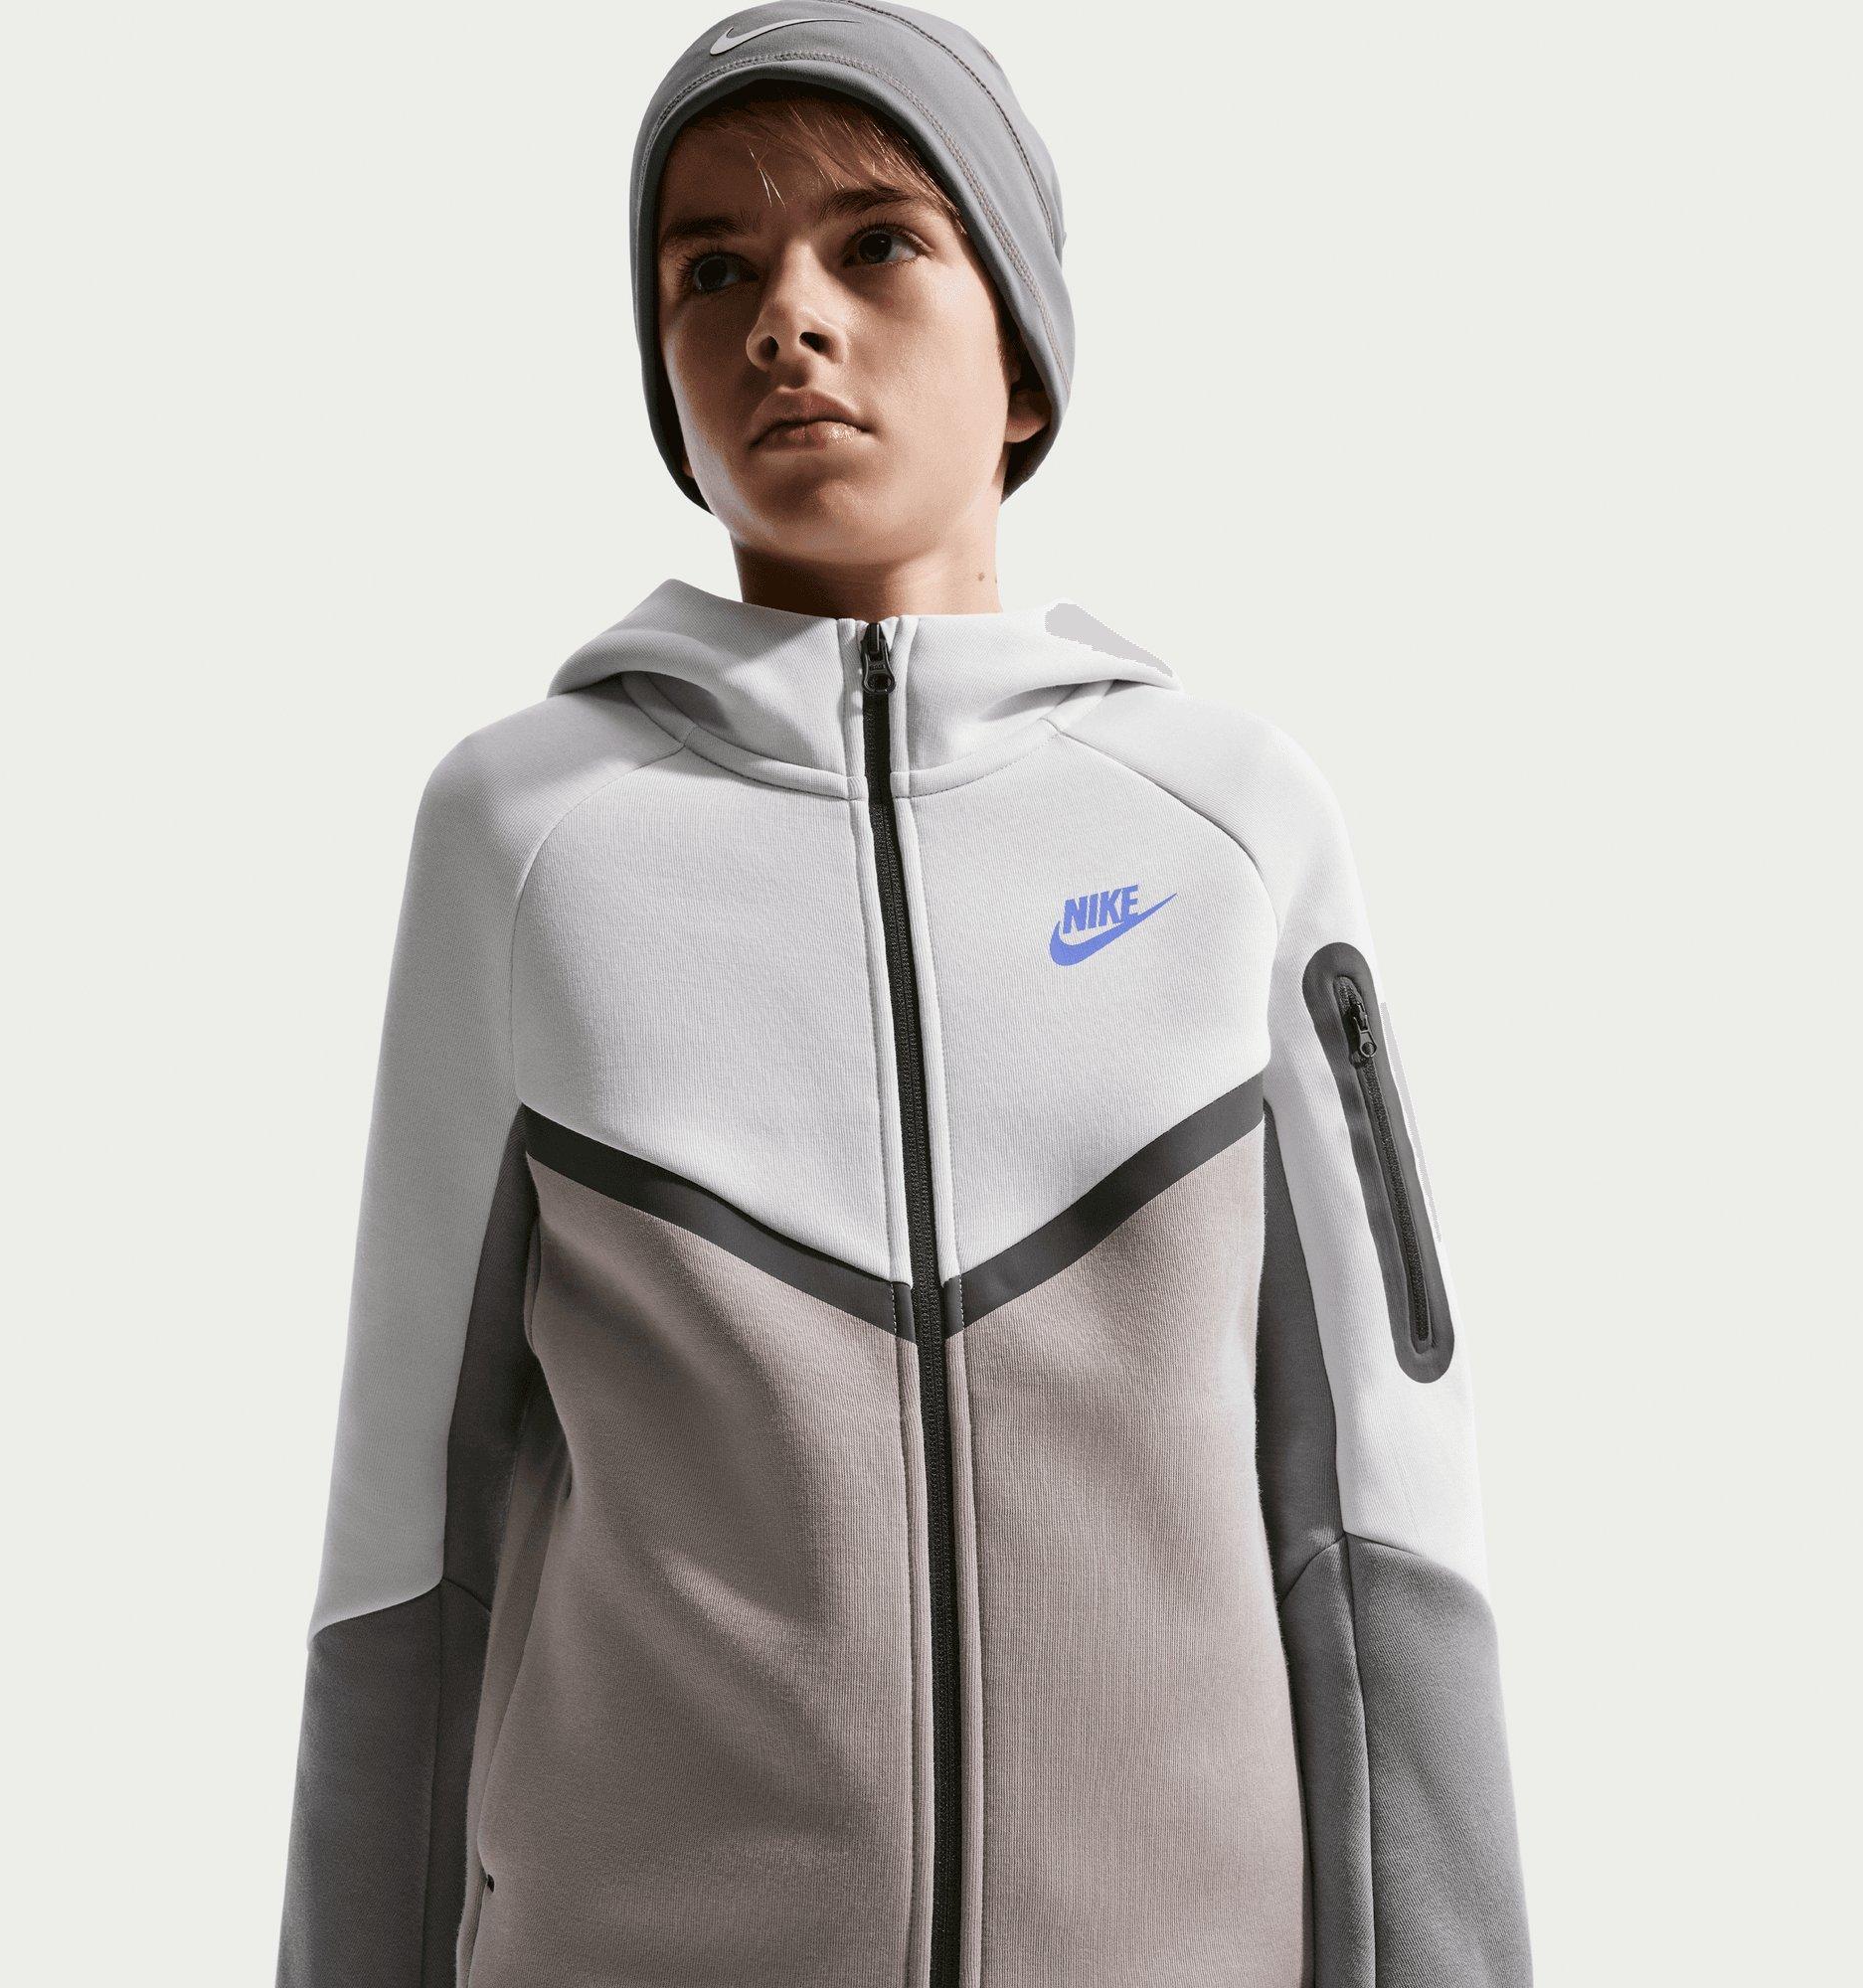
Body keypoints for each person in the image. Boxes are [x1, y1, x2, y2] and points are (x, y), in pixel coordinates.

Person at [274, 8, 1535, 1986]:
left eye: (876, 244)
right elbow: (409, 1545)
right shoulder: (530, 836)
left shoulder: (1226, 822)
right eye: (711, 271)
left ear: (1020, 356)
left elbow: (1379, 1500)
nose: (787, 317)